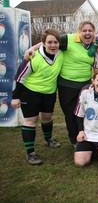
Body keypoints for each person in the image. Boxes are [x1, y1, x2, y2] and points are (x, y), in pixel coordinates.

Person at [24, 21, 98, 146]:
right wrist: (32, 48)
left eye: (90, 31)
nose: (87, 33)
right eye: (84, 30)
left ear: (94, 32)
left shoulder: (95, 43)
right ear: (79, 31)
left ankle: (89, 138)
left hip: (85, 85)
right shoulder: (68, 39)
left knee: (86, 112)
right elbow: (49, 41)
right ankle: (75, 141)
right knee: (71, 114)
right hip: (67, 85)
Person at [11, 29, 63, 165]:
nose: (53, 45)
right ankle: (30, 153)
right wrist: (15, 97)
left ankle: (48, 139)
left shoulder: (61, 54)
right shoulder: (33, 57)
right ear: (43, 43)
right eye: (49, 42)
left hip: (49, 92)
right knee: (31, 121)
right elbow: (19, 77)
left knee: (47, 117)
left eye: (55, 42)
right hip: (30, 92)